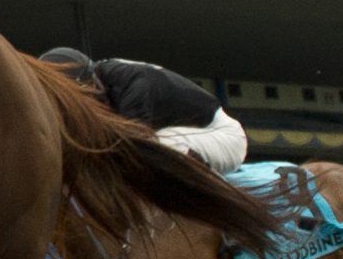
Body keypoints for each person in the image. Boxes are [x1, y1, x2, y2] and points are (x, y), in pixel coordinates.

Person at [39, 48, 248, 173]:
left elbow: (133, 146)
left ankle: (219, 224)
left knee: (162, 145)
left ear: (90, 84)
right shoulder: (105, 79)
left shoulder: (134, 83)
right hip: (185, 133)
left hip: (222, 136)